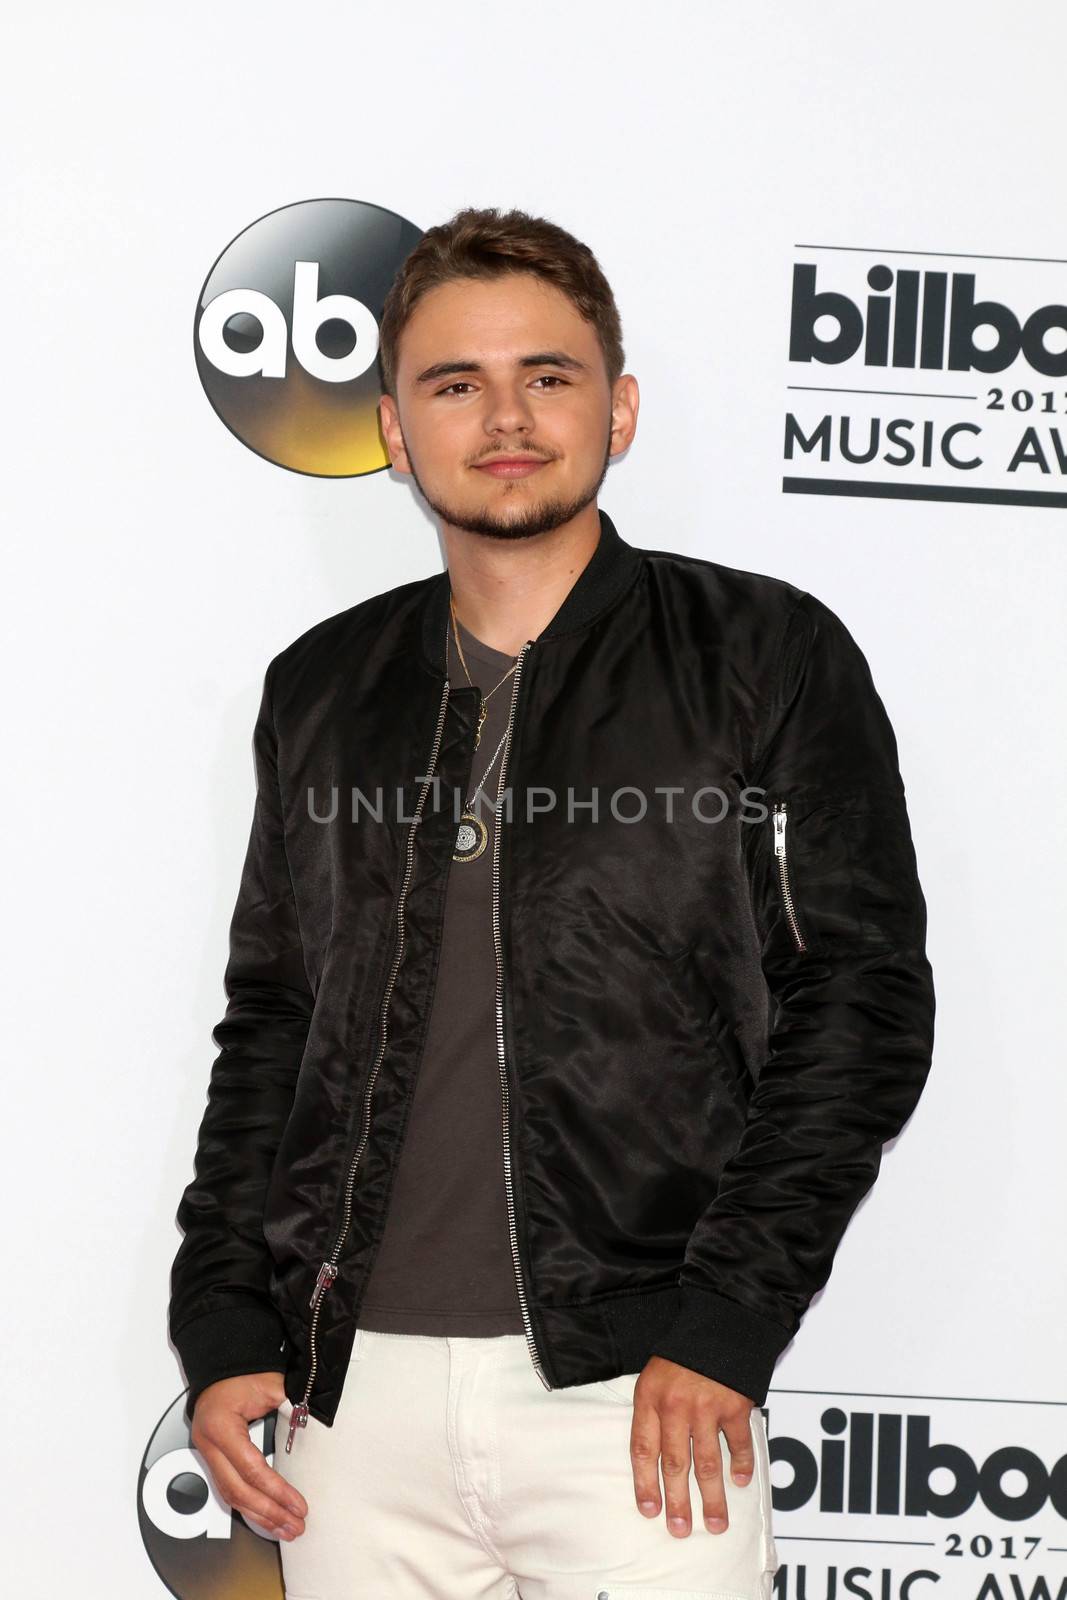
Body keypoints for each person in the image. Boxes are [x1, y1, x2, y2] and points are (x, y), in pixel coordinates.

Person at [168, 206, 935, 1600]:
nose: (505, 417)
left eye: (550, 376)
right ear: (396, 431)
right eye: (456, 384)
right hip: (349, 1411)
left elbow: (861, 1000)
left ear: (619, 408)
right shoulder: (323, 691)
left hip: (640, 1392)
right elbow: (273, 1025)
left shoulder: (763, 656)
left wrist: (727, 1319)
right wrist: (224, 1319)